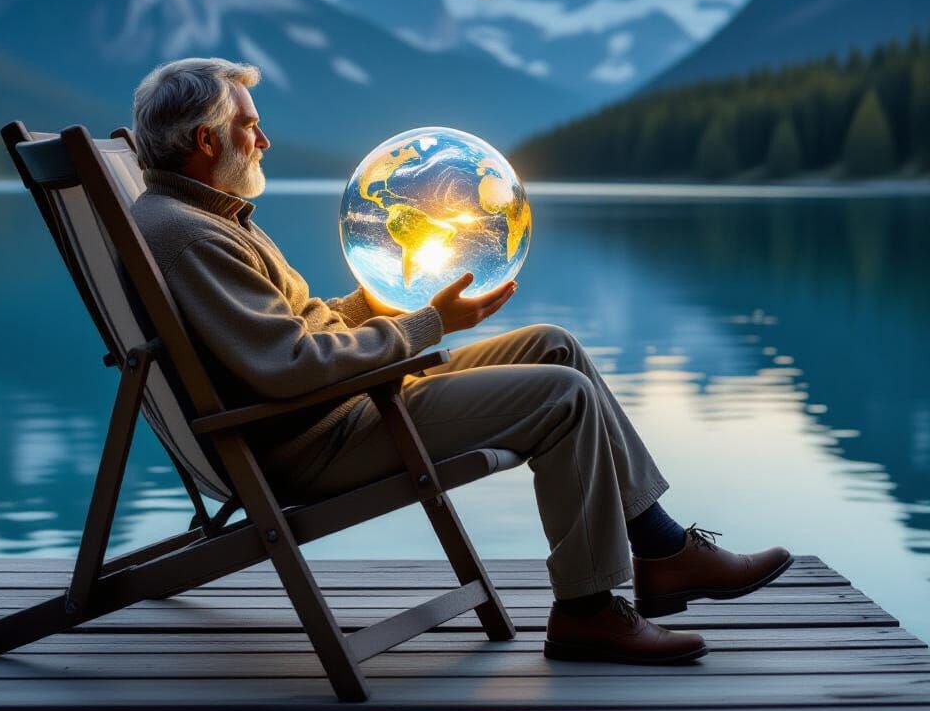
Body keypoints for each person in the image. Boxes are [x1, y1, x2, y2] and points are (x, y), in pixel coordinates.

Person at [130, 57, 793, 665]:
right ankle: (586, 610)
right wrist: (428, 324)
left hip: (336, 406)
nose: (264, 140)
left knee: (552, 344)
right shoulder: (191, 236)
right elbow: (292, 364)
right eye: (249, 126)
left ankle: (663, 548)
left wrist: (372, 304)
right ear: (205, 140)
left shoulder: (198, 217)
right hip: (318, 436)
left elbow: (286, 335)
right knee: (563, 397)